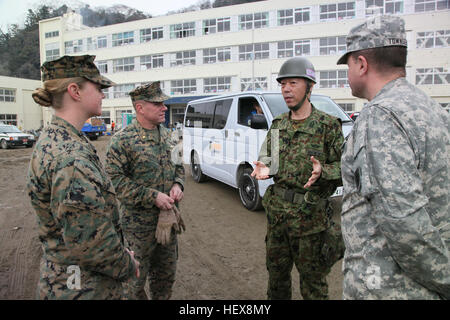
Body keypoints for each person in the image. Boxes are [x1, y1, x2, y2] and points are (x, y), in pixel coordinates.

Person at [338, 15, 449, 299]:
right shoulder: (431, 109)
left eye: (348, 64)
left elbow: (404, 224)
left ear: (361, 64)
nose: (346, 73)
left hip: (388, 287)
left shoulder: (380, 117)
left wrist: (445, 279)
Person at [26, 55, 139, 300]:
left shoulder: (59, 139)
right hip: (83, 288)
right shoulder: (71, 158)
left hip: (69, 281)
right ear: (75, 91)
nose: (103, 94)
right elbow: (93, 246)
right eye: (98, 88)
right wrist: (127, 264)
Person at [251, 57, 345, 300]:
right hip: (278, 219)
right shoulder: (279, 124)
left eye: (293, 83)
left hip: (310, 221)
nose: (286, 89)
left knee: (313, 286)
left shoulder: (328, 126)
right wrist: (265, 168)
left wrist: (324, 171)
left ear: (310, 87)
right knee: (277, 281)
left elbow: (346, 168)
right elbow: (268, 160)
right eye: (283, 84)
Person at [105, 81, 185, 300]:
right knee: (134, 282)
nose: (164, 108)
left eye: (163, 103)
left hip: (166, 223)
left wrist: (178, 185)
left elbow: (179, 167)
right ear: (140, 108)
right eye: (157, 103)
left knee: (165, 277)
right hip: (137, 229)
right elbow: (115, 182)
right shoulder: (122, 141)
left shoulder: (170, 136)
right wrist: (152, 196)